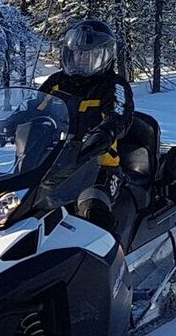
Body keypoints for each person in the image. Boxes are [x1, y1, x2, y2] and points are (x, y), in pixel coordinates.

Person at [36, 20, 135, 224]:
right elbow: (30, 109)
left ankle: (113, 253)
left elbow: (119, 115)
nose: (81, 59)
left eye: (88, 54)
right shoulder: (56, 82)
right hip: (49, 165)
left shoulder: (113, 85)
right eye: (77, 53)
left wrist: (105, 132)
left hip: (97, 166)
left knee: (93, 211)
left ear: (104, 56)